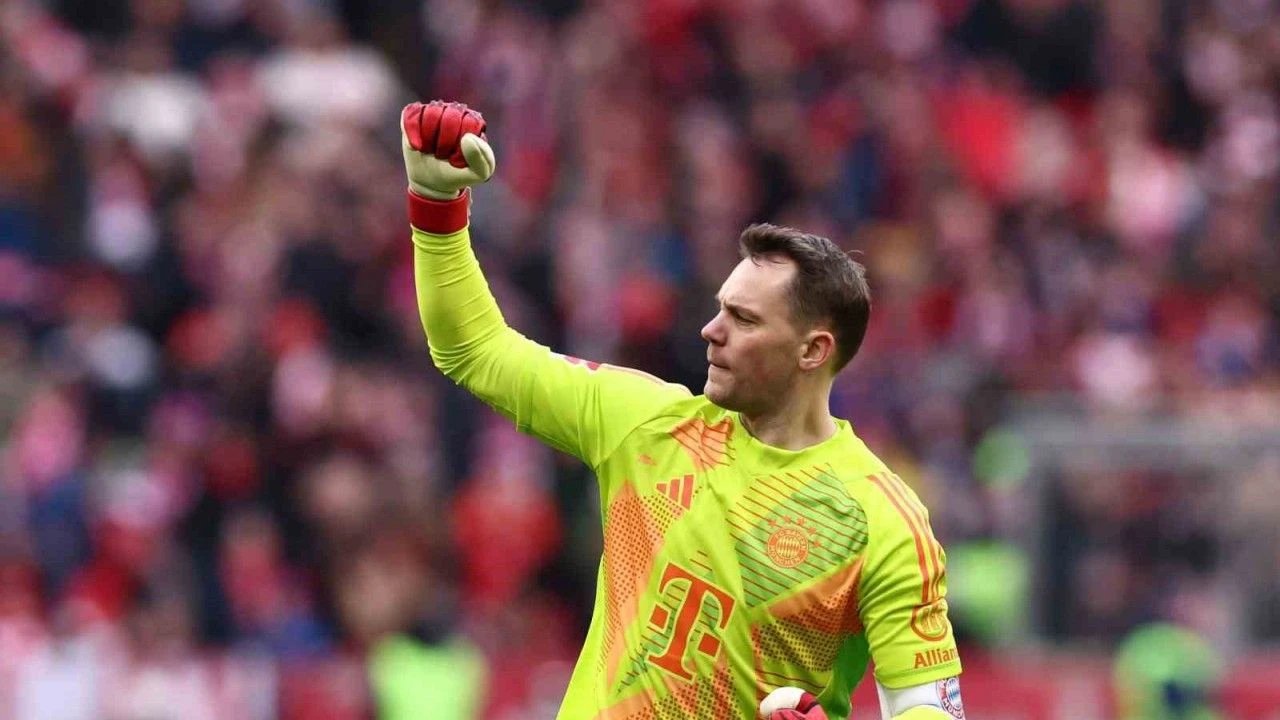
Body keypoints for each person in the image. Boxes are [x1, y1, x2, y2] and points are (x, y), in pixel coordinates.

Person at [399, 100, 964, 720]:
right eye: (720, 308)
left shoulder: (881, 520)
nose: (710, 330)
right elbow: (474, 350)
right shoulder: (646, 424)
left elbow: (931, 708)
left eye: (743, 319)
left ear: (813, 350)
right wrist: (436, 205)